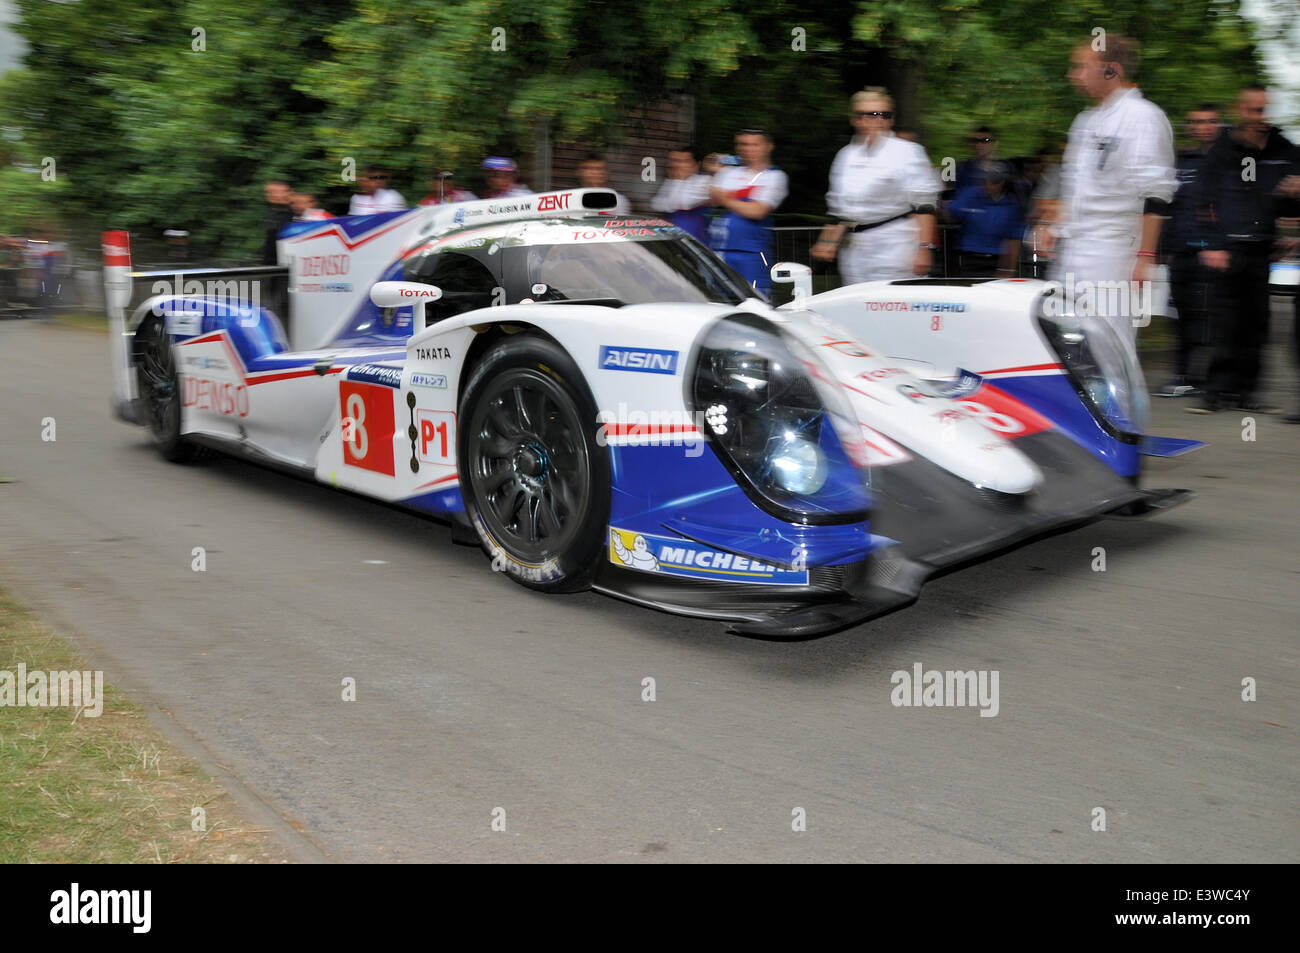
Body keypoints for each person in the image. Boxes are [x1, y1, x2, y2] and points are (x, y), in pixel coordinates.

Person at [1047, 35, 1175, 353]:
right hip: (1074, 250)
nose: (1073, 74)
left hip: (1114, 253)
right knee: (1066, 344)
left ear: (1111, 70)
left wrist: (1145, 258)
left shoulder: (1143, 117)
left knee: (1108, 347)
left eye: (1081, 66)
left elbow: (1155, 194)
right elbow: (1076, 188)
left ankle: (1119, 404)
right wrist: (1054, 226)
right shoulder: (1085, 121)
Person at [1189, 86, 1300, 414]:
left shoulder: (1284, 149)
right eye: (1253, 111)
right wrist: (1211, 243)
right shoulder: (1222, 149)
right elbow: (1203, 200)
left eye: (1264, 110)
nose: (1260, 117)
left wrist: (1294, 196)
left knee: (1257, 323)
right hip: (1227, 247)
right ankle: (1216, 393)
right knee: (1225, 322)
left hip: (1263, 247)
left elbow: (1289, 200)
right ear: (1240, 109)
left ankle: (1247, 393)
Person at [813, 87, 941, 284]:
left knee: (892, 306)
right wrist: (827, 242)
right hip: (854, 249)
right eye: (867, 114)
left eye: (883, 114)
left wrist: (924, 248)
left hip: (895, 247)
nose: (876, 120)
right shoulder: (846, 155)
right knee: (855, 305)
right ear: (854, 119)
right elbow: (839, 211)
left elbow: (923, 207)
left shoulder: (908, 152)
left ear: (891, 119)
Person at [1154, 104, 1220, 399]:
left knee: (1213, 316)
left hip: (1217, 254)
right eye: (1196, 121)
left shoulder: (1232, 162)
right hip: (1181, 253)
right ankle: (1183, 376)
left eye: (1209, 121)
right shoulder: (1181, 162)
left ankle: (1213, 380)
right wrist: (1165, 250)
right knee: (1182, 317)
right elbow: (1168, 208)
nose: (1203, 126)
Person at [706, 128, 789, 294]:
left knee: (755, 304)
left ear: (768, 146)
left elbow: (757, 211)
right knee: (721, 303)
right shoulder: (729, 173)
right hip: (721, 252)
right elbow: (713, 200)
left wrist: (726, 198)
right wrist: (716, 172)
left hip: (752, 255)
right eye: (743, 144)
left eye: (754, 145)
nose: (748, 149)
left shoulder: (775, 176)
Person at [947, 163, 1025, 277]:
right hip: (969, 258)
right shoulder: (970, 194)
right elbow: (950, 215)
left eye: (995, 181)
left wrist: (1009, 270)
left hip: (996, 260)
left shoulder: (1011, 203)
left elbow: (1014, 239)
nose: (990, 184)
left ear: (1003, 182)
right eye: (987, 179)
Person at [650, 146, 712, 242]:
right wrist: (677, 181)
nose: (678, 165)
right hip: (674, 233)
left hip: (695, 235)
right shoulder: (672, 181)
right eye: (676, 161)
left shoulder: (704, 180)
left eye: (684, 161)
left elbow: (686, 203)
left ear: (696, 165)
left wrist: (679, 180)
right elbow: (657, 204)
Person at [955, 125, 1001, 194]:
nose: (979, 144)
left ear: (995, 143)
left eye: (985, 140)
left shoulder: (1005, 168)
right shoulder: (965, 169)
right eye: (976, 141)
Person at [262, 179, 294, 264]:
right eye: (273, 192)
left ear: (290, 193)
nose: (278, 195)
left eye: (283, 191)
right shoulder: (266, 214)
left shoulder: (297, 215)